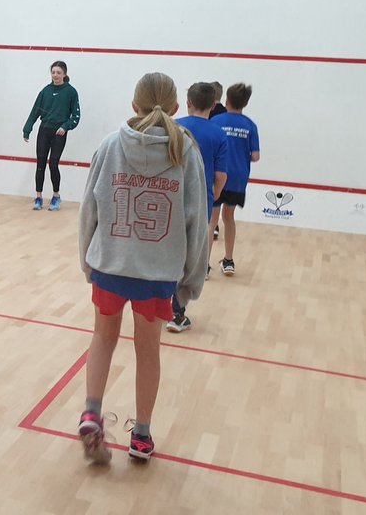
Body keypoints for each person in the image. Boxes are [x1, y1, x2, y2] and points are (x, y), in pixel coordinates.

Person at [76, 72, 208, 463]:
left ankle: (91, 414)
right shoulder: (186, 152)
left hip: (109, 268)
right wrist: (190, 283)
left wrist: (89, 262)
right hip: (157, 275)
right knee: (148, 351)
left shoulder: (110, 145)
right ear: (176, 109)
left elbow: (89, 209)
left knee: (102, 338)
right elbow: (197, 223)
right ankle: (142, 438)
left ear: (133, 105)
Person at [167, 82, 229, 333]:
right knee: (189, 260)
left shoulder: (173, 126)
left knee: (167, 253)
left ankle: (156, 304)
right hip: (199, 203)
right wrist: (213, 196)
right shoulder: (218, 133)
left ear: (188, 102)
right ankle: (177, 313)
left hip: (168, 201)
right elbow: (221, 176)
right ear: (213, 105)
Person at [210, 83, 260, 276]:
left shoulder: (215, 121)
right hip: (238, 179)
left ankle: (204, 266)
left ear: (226, 100)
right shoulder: (250, 125)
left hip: (217, 177)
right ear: (245, 103)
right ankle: (229, 261)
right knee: (228, 217)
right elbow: (255, 156)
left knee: (211, 220)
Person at [23, 61, 81, 211]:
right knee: (40, 164)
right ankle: (38, 197)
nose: (55, 75)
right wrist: (27, 129)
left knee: (53, 164)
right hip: (44, 131)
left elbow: (75, 116)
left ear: (64, 74)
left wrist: (65, 126)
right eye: (53, 72)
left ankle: (56, 196)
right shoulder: (45, 91)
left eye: (58, 72)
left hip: (59, 133)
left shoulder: (71, 92)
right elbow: (35, 111)